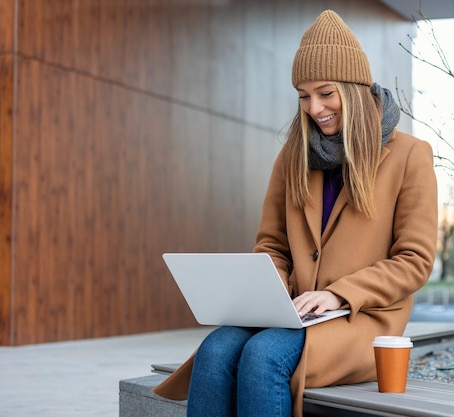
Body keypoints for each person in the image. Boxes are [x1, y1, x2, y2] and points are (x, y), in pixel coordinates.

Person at [153, 9, 437, 417]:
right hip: (293, 312)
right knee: (215, 350)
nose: (314, 107)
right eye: (303, 96)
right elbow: (272, 243)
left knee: (263, 356)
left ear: (353, 89)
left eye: (325, 93)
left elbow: (414, 261)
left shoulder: (410, 156)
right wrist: (272, 290)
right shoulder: (293, 156)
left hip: (361, 319)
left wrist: (338, 293)